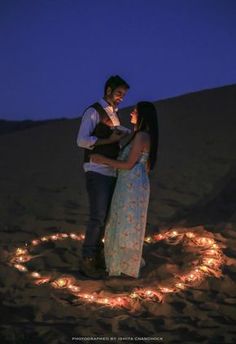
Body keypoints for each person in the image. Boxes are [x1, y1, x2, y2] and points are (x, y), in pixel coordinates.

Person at [91, 101, 158, 278]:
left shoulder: (141, 136)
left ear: (143, 115)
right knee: (121, 219)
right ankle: (118, 261)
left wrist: (101, 159)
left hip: (132, 184)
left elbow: (128, 165)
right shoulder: (139, 135)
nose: (131, 114)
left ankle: (123, 264)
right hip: (129, 182)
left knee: (125, 221)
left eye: (135, 112)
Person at [77, 75, 130, 278]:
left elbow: (111, 140)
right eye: (119, 93)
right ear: (108, 90)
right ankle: (87, 259)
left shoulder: (113, 114)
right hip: (96, 169)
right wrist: (109, 139)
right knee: (97, 217)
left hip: (111, 170)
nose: (121, 98)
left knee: (105, 217)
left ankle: (97, 256)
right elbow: (82, 141)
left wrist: (116, 138)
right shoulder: (93, 111)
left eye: (124, 95)